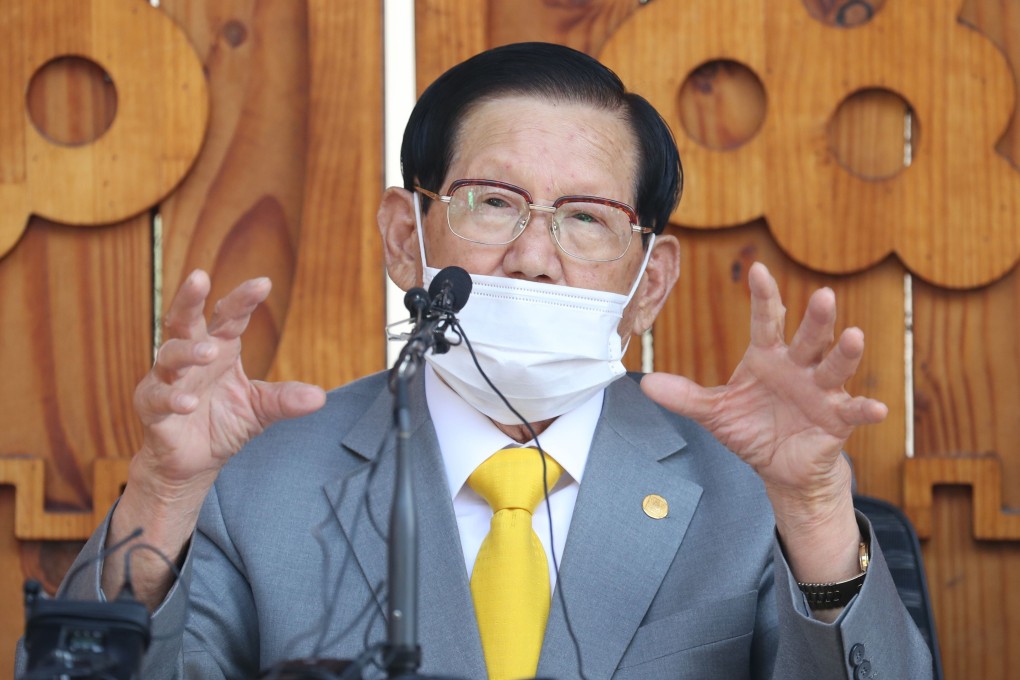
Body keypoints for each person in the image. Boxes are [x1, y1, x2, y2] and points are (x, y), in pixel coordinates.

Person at [24, 42, 932, 679]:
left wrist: (815, 510)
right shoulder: (255, 482)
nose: (534, 257)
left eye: (586, 219)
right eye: (493, 203)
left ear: (648, 282)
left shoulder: (752, 491)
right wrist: (163, 493)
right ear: (405, 238)